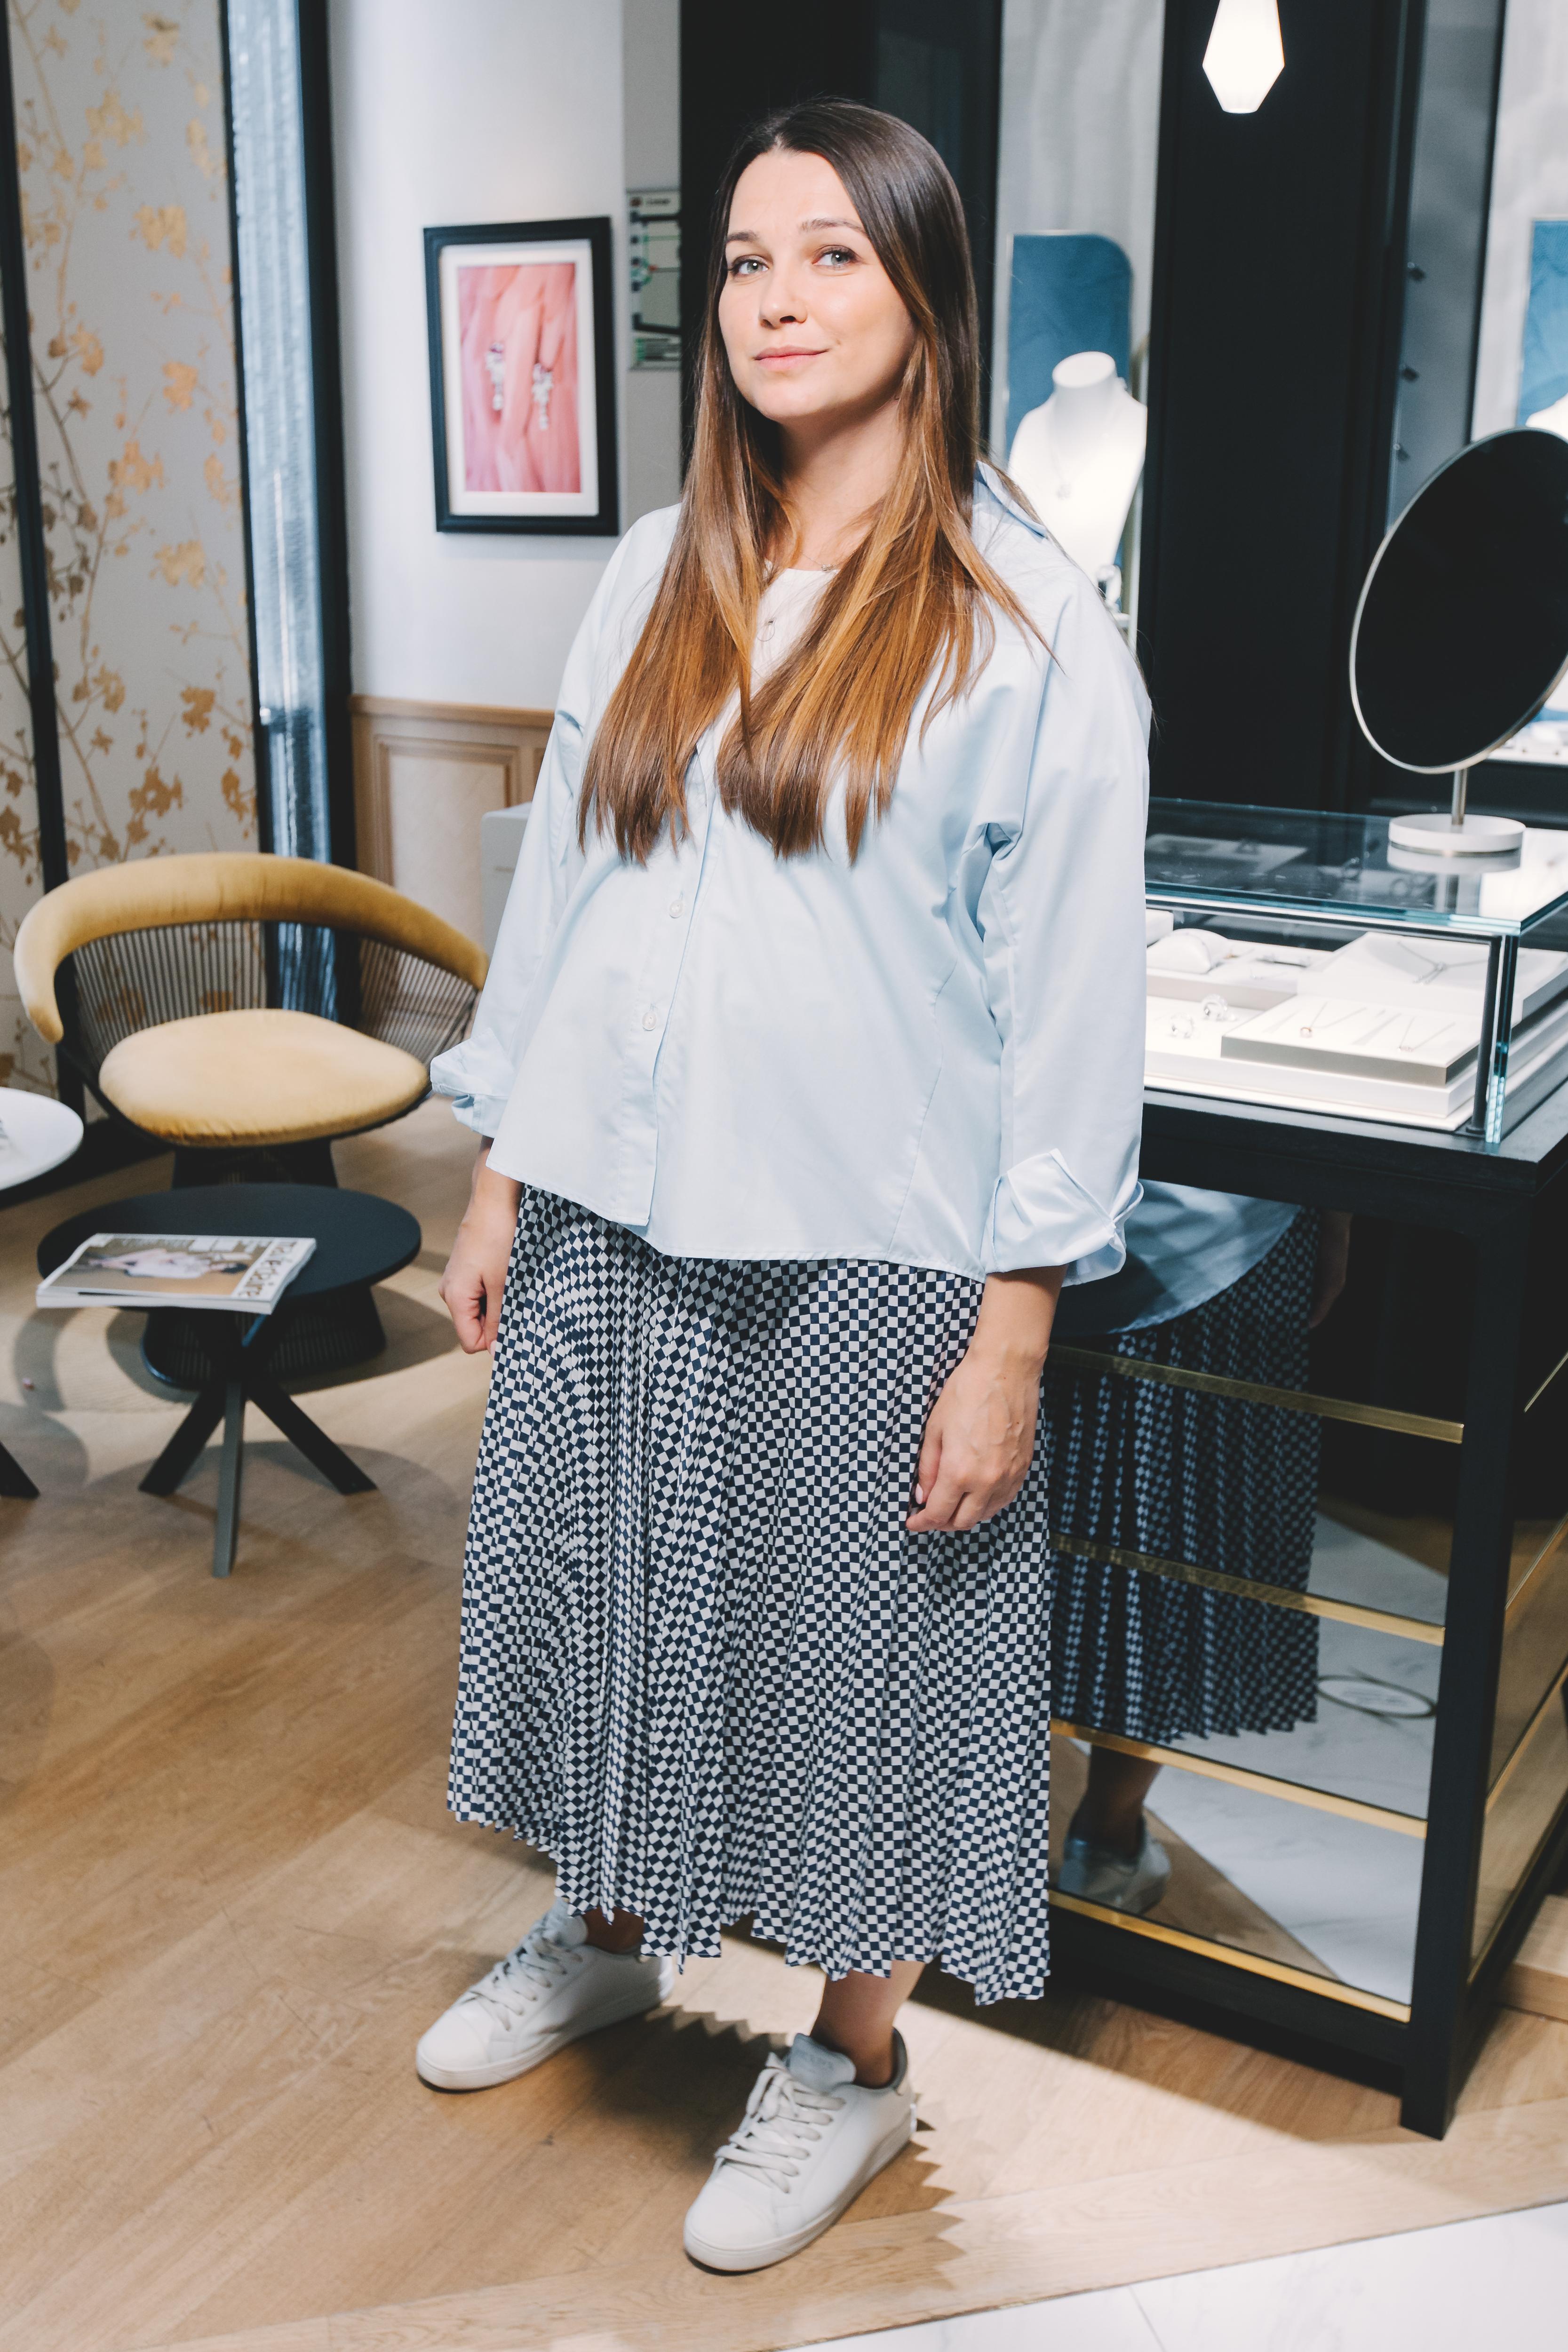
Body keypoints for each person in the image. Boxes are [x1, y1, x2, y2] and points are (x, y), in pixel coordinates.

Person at [421, 98, 1148, 2274]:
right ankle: (604, 1931)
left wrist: (1012, 1325)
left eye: (830, 254)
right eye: (745, 261)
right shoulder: (662, 567)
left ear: (923, 290)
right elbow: (569, 887)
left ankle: (848, 2055)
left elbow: (1069, 1009)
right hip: (610, 1202)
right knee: (601, 1596)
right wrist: (500, 1166)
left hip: (870, 1241)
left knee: (862, 1670)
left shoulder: (1028, 621)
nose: (776, 299)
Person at [1046, 1187, 1352, 1910]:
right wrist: (1335, 1212)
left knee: (974, 1539)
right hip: (1221, 1227)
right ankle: (1104, 1844)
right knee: (1179, 1549)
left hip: (1017, 1214)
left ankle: (949, 1839)